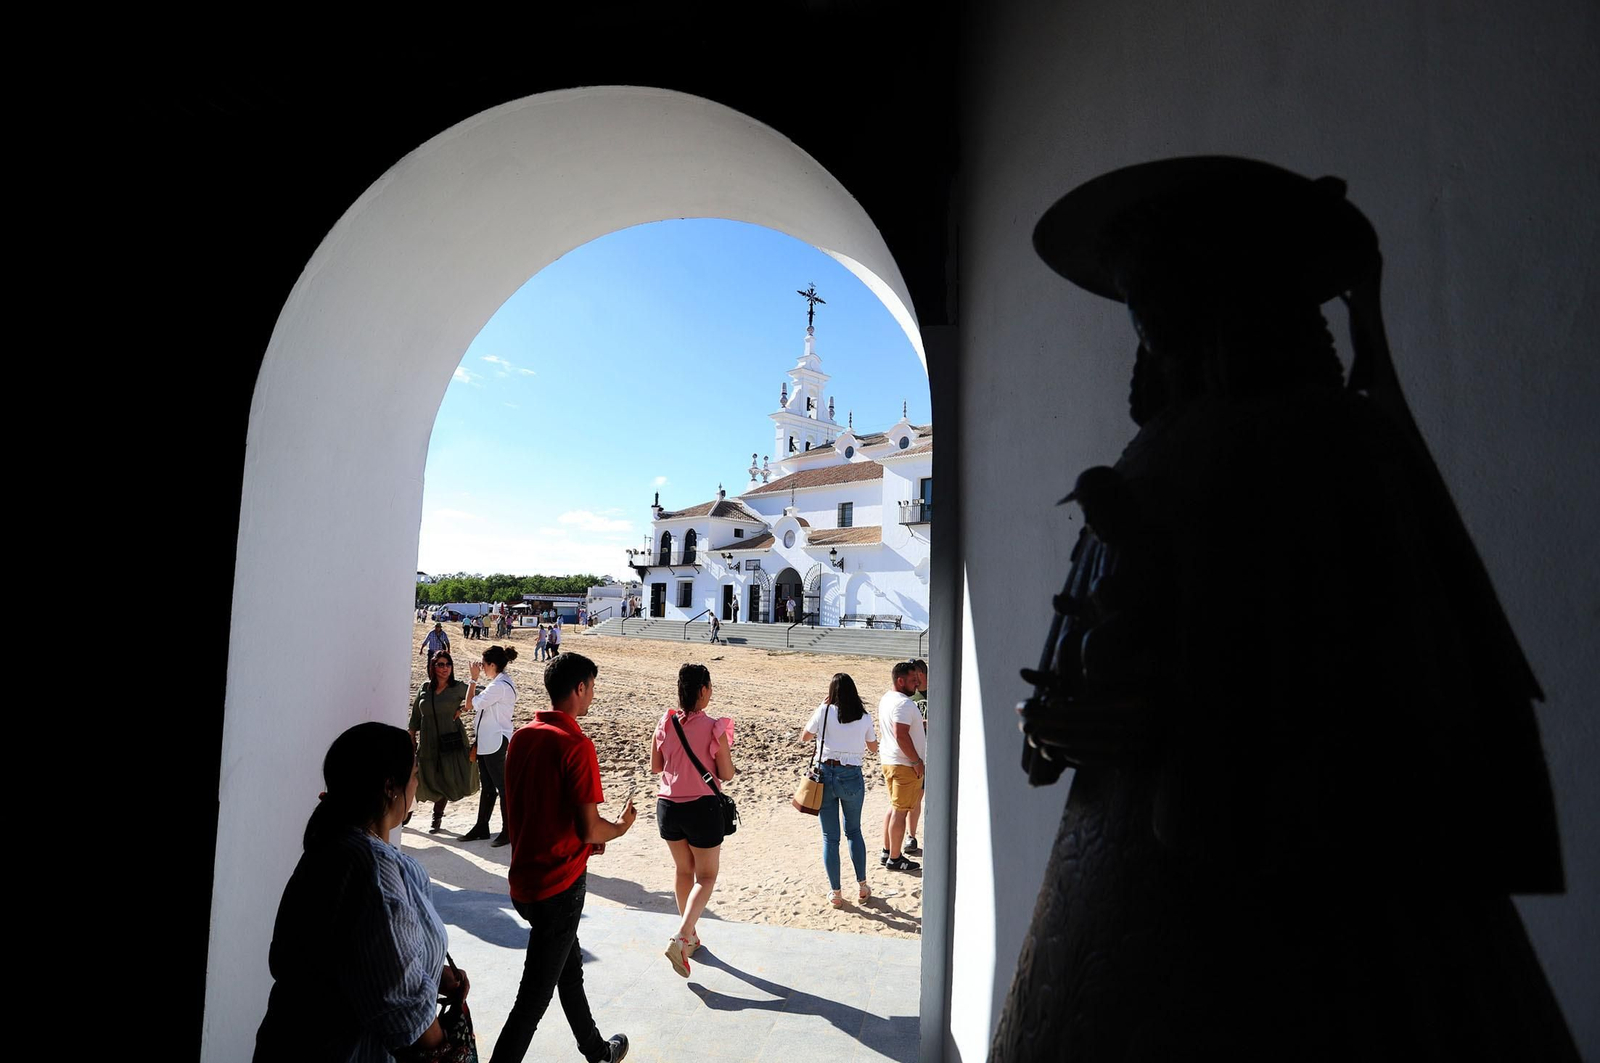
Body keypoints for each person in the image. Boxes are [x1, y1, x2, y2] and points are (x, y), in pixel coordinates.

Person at [254, 722, 469, 1062]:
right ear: (389, 786)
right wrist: (447, 1048)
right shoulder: (371, 870)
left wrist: (431, 972)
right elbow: (404, 1008)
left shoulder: (340, 846)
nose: (417, 783)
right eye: (413, 773)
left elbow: (375, 956)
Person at [492, 651, 634, 1063]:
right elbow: (591, 827)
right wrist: (619, 828)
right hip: (559, 886)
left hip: (524, 881)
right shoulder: (576, 744)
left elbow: (537, 808)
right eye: (591, 687)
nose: (593, 695)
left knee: (568, 971)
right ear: (579, 688)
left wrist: (587, 838)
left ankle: (596, 1051)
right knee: (531, 1003)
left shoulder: (522, 736)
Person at [652, 662, 735, 977]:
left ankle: (692, 936)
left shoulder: (666, 721)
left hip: (668, 806)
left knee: (683, 871)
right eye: (709, 687)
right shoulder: (715, 727)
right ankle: (682, 934)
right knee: (707, 876)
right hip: (701, 806)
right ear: (703, 691)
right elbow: (725, 773)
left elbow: (656, 765)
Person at [801, 673, 879, 907]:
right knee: (854, 832)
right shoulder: (864, 717)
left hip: (825, 774)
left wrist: (820, 708)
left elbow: (804, 737)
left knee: (830, 837)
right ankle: (863, 886)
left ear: (831, 692)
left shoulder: (824, 712)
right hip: (851, 775)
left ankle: (836, 892)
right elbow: (874, 748)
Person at [409, 650, 477, 834]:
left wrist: (464, 708)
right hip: (428, 740)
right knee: (421, 775)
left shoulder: (458, 687)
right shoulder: (425, 688)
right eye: (440, 664)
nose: (445, 668)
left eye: (448, 664)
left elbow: (482, 697)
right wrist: (412, 737)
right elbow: (416, 716)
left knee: (445, 777)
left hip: (451, 740)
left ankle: (437, 816)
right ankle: (406, 814)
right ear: (433, 666)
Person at [462, 644, 518, 844]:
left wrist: (473, 679)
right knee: (487, 786)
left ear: (492, 665)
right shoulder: (500, 683)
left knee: (502, 787)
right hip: (489, 739)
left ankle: (508, 831)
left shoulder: (499, 686)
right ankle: (481, 827)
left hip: (495, 740)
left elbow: (470, 704)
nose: (482, 667)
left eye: (484, 664)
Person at [877, 660, 926, 871]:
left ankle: (888, 850)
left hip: (890, 761)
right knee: (901, 811)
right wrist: (916, 761)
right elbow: (901, 734)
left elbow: (900, 728)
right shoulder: (903, 704)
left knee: (895, 807)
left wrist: (921, 724)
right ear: (900, 680)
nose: (917, 684)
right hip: (904, 765)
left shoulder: (888, 699)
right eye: (913, 680)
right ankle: (895, 859)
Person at [905, 658, 928, 856]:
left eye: (914, 676)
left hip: (937, 752)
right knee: (916, 798)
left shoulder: (938, 691)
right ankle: (911, 836)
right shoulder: (910, 698)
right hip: (918, 755)